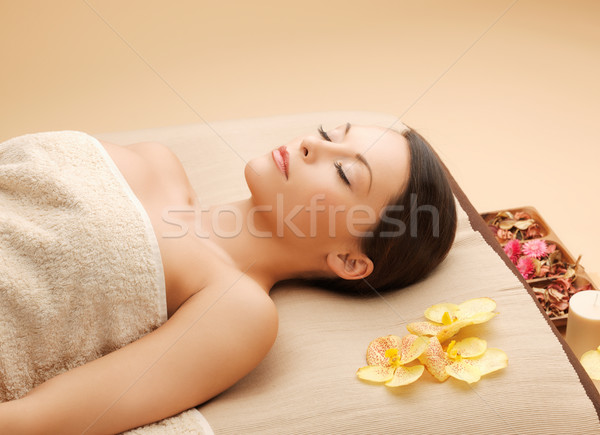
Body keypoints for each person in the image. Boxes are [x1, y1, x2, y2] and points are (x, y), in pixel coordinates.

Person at [0, 122, 457, 434]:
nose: (310, 146)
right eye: (326, 133)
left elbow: (44, 420)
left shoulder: (238, 309)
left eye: (344, 171)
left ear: (349, 260)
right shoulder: (158, 160)